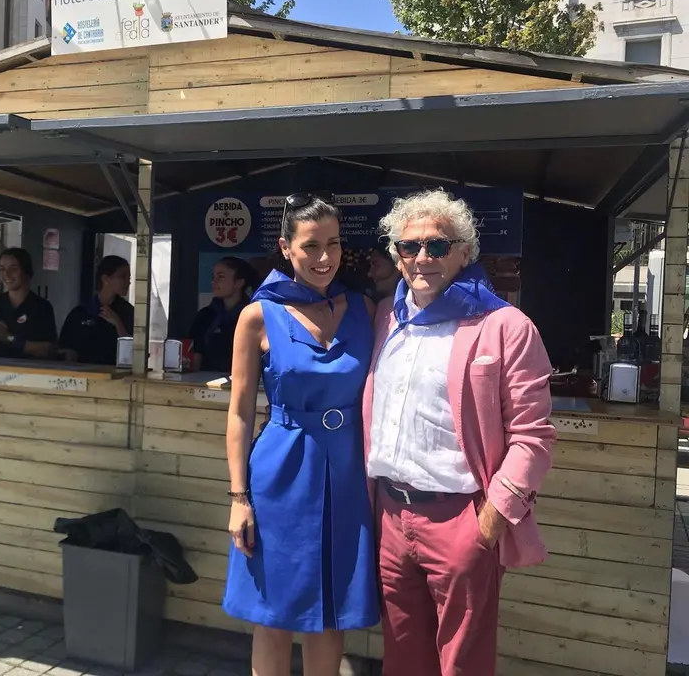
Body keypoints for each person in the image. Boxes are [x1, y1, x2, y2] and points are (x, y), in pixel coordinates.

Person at [363, 188, 556, 676]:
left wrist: (490, 520)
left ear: (464, 253)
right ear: (397, 255)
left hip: (461, 520)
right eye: (410, 246)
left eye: (437, 245)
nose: (422, 257)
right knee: (402, 660)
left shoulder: (505, 326)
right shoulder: (386, 317)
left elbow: (533, 437)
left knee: (462, 664)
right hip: (390, 515)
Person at [223, 193, 380, 675]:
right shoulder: (257, 315)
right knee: (274, 614)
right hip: (281, 473)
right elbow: (240, 413)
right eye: (311, 246)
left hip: (348, 475)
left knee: (331, 614)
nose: (325, 257)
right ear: (286, 247)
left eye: (333, 244)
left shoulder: (365, 309)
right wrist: (239, 497)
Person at [0, 248, 57, 359]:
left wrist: (9, 337)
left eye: (13, 269)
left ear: (26, 271)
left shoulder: (42, 307)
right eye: (2, 269)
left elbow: (47, 349)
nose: (6, 274)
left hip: (29, 368)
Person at [58, 255, 133, 365]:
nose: (128, 282)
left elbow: (134, 352)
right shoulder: (80, 312)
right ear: (105, 279)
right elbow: (64, 348)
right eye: (122, 277)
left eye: (129, 278)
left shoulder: (128, 312)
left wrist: (118, 323)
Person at [188, 257, 256, 373]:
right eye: (213, 277)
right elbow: (196, 356)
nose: (214, 281)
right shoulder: (205, 316)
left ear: (239, 282)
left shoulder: (253, 315)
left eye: (221, 277)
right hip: (206, 381)